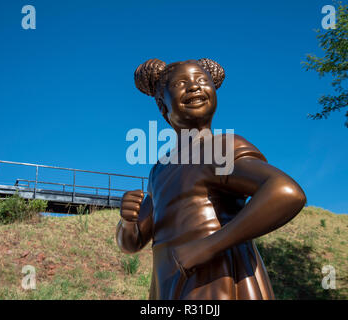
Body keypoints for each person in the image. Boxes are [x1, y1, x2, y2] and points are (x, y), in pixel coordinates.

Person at [116, 58, 306, 299]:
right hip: (168, 282)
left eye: (202, 80)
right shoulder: (159, 170)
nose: (194, 86)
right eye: (180, 84)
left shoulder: (222, 147)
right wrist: (128, 221)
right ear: (163, 107)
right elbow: (132, 243)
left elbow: (286, 192)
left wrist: (206, 247)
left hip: (218, 278)